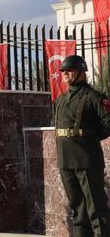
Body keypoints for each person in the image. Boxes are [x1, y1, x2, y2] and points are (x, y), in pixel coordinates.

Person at [54, 55, 110, 237]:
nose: (64, 73)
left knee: (97, 209)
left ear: (80, 72)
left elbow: (108, 123)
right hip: (66, 160)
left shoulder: (94, 97)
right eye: (63, 71)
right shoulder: (60, 100)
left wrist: (89, 138)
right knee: (78, 212)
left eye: (69, 70)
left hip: (87, 159)